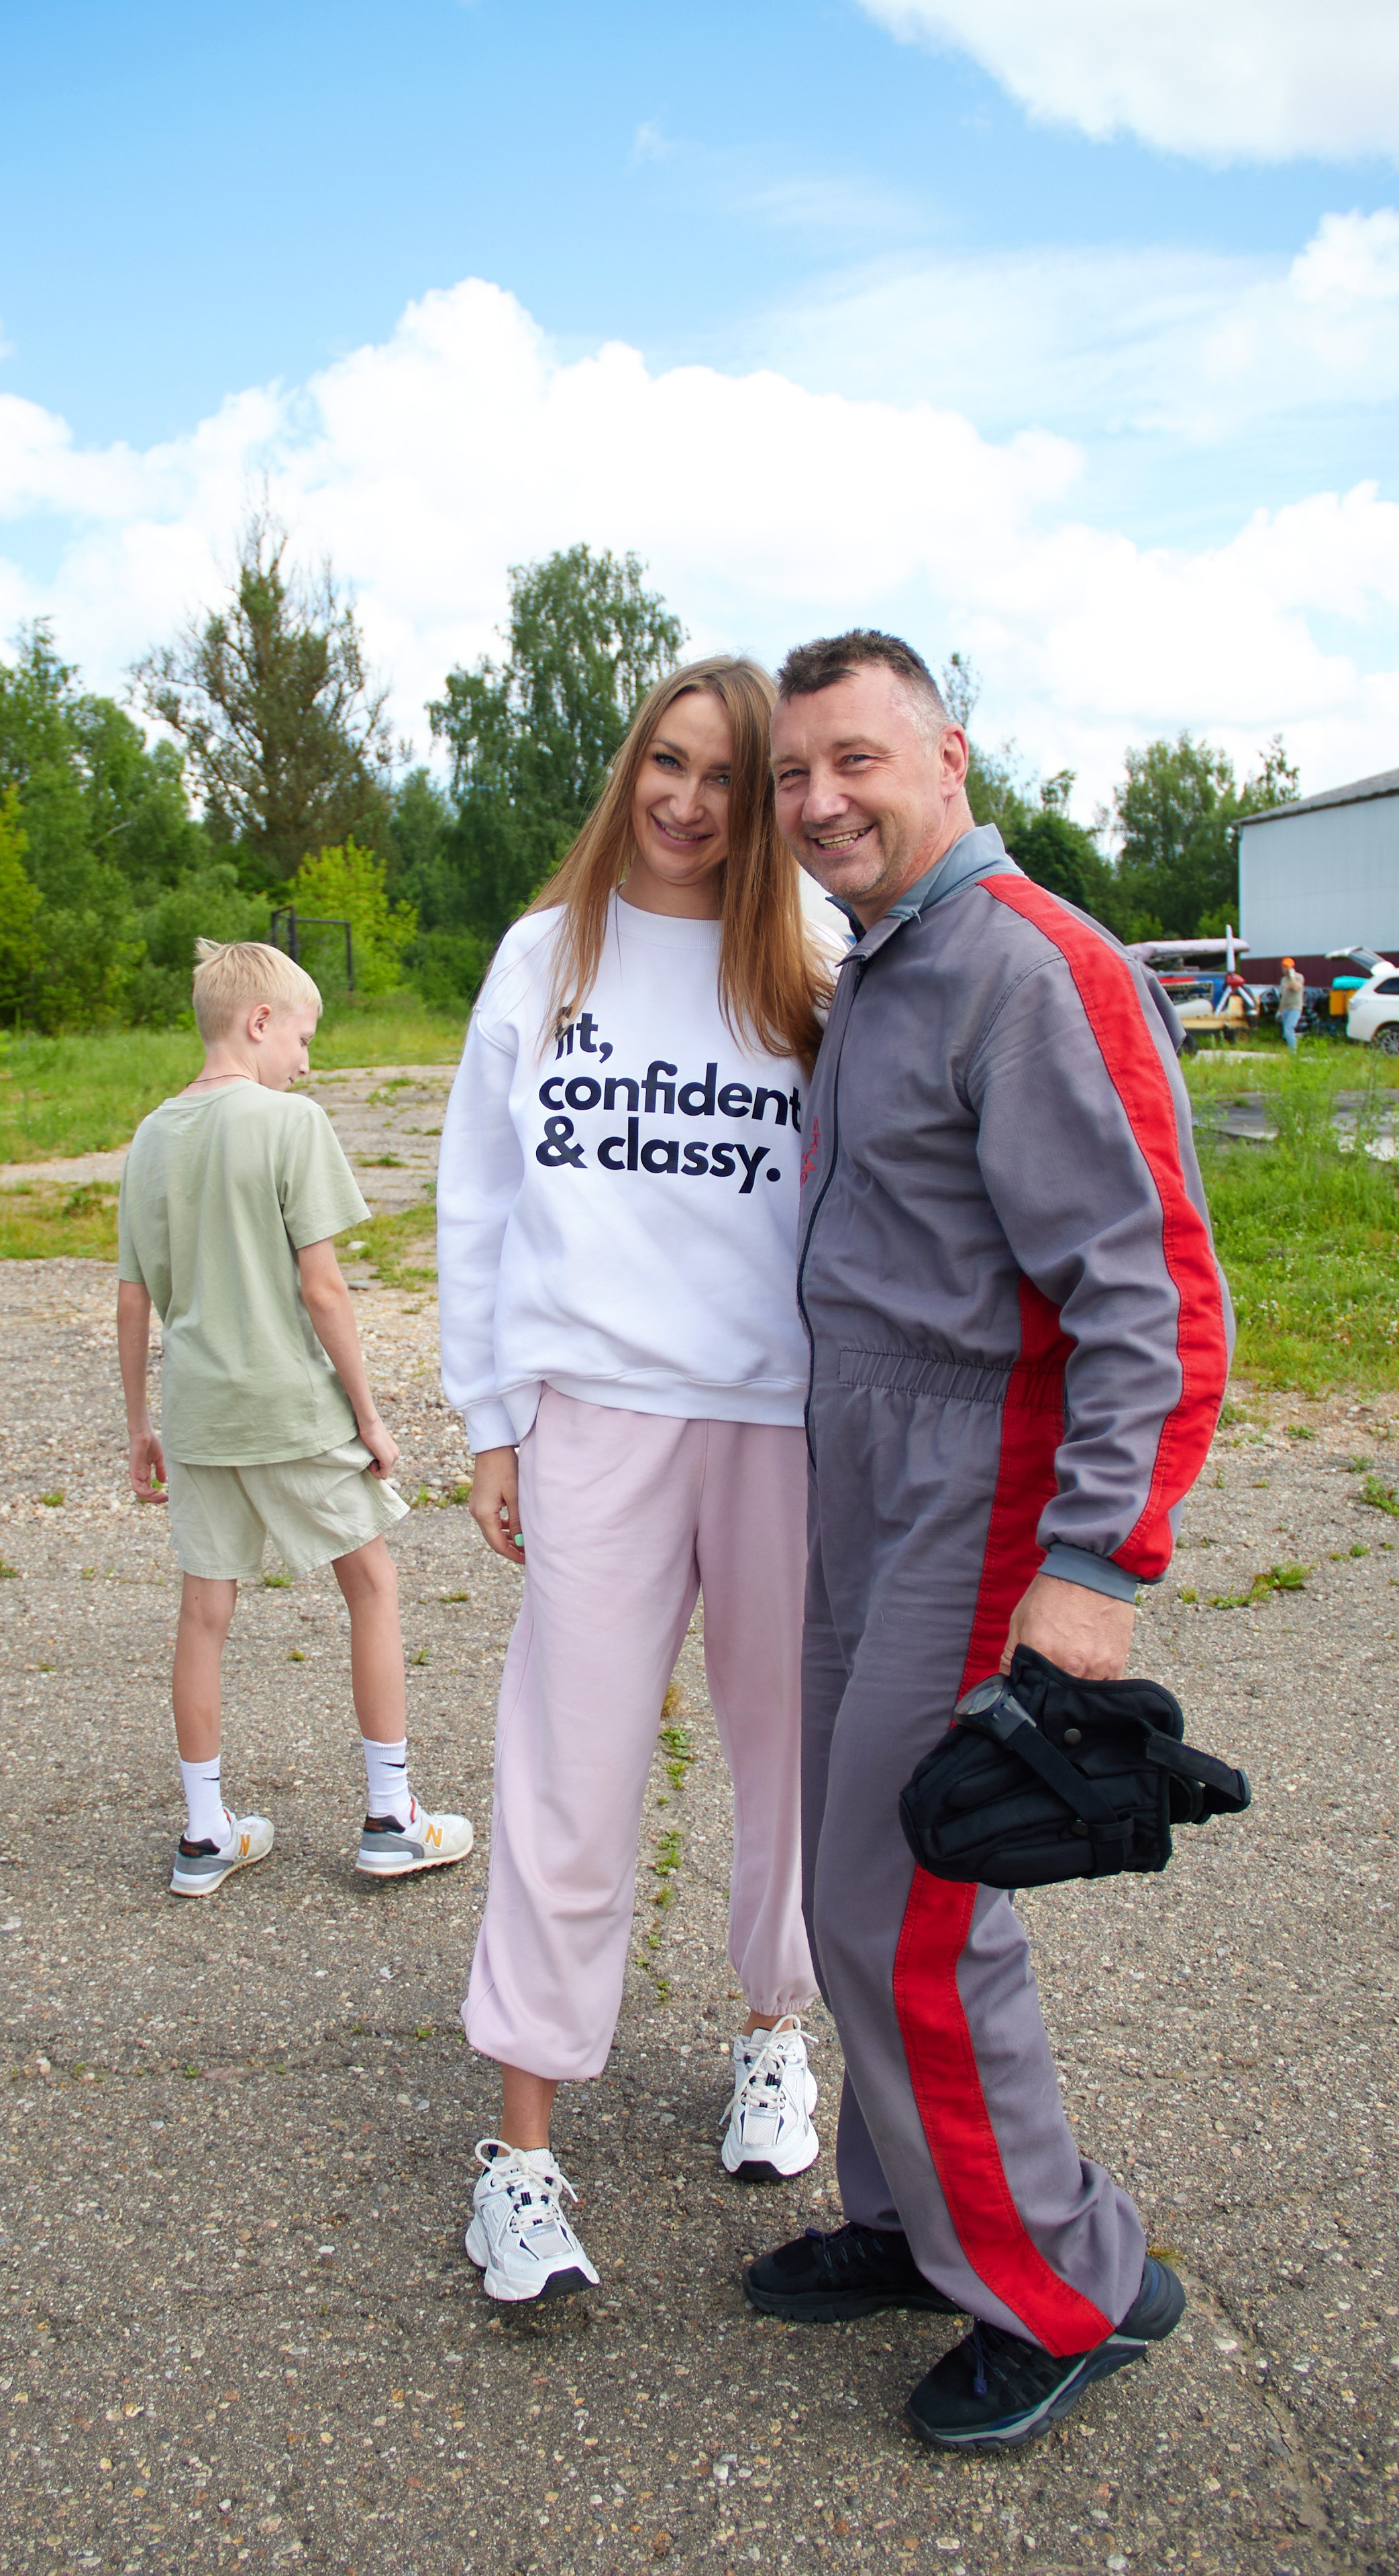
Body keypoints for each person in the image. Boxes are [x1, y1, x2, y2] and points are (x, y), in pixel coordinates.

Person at [745, 631, 1230, 2449]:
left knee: (912, 1908)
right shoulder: (884, 965)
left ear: (948, 755)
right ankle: (913, 2215)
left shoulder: (1035, 966)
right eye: (797, 776)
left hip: (986, 1481)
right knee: (842, 1881)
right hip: (863, 1468)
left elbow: (1163, 1304)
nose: (819, 805)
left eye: (855, 762)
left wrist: (1097, 1567)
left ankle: (1070, 2283)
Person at [437, 655, 842, 2304]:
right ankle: (518, 2154)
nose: (684, 801)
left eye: (723, 776)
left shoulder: (811, 955)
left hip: (780, 1423)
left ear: (764, 798)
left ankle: (771, 2036)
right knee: (566, 1770)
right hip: (593, 1413)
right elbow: (477, 1196)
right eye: (662, 765)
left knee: (790, 1761)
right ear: (629, 771)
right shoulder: (547, 954)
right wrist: (487, 1415)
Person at [117, 937, 472, 1894]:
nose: (308, 1063)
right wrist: (371, 1417)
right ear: (261, 1022)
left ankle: (204, 1834)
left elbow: (132, 1298)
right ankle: (392, 1817)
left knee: (204, 1611)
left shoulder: (149, 1136)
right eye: (305, 1039)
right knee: (372, 1587)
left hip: (195, 1413)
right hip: (288, 1405)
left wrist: (138, 1424)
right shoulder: (288, 1123)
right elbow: (325, 1291)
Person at [1279, 957, 1306, 1050]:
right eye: (1284, 967)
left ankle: (1294, 1053)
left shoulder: (1299, 977)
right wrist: (1280, 1010)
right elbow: (1283, 996)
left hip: (1295, 1008)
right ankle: (1290, 1049)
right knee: (1285, 1033)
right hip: (1285, 1008)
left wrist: (1292, 977)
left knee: (1289, 1030)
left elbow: (1296, 988)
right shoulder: (1283, 980)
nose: (1285, 969)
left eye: (1287, 967)